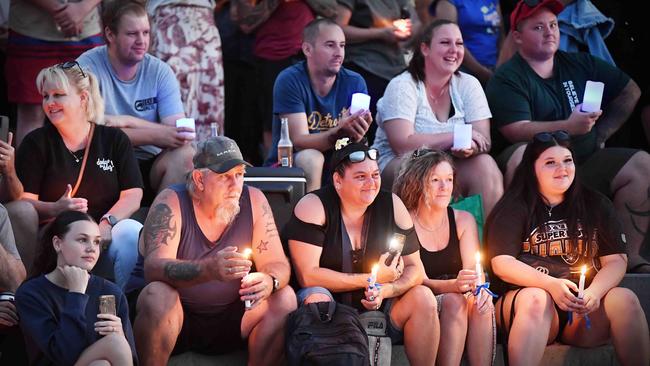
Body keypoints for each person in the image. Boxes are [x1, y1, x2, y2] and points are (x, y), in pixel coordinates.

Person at [485, 0, 650, 272]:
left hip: (585, 160)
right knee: (520, 156)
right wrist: (569, 126)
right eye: (538, 27)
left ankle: (626, 257)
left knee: (642, 164)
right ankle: (526, 256)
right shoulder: (508, 76)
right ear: (517, 36)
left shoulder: (579, 63)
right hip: (534, 167)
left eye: (553, 25)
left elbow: (630, 90)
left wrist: (602, 132)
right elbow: (515, 129)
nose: (550, 32)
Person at [485, 131, 650, 366]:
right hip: (529, 305)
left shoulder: (595, 203)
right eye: (550, 163)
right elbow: (502, 264)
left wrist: (594, 293)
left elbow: (616, 260)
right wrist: (550, 285)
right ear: (533, 169)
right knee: (536, 298)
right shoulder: (515, 206)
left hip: (581, 310)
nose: (561, 169)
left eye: (567, 160)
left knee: (625, 298)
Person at [131, 136, 296, 366]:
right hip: (178, 317)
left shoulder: (254, 200)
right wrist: (209, 269)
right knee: (157, 295)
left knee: (285, 298)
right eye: (224, 177)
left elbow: (279, 264)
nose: (235, 184)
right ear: (199, 179)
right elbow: (154, 268)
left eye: (239, 175)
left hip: (233, 315)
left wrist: (269, 280)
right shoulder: (171, 201)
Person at [286, 137, 439, 366]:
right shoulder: (313, 206)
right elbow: (308, 275)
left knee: (424, 297)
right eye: (360, 177)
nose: (371, 183)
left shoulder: (392, 204)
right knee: (316, 297)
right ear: (338, 181)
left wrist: (386, 289)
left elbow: (416, 270)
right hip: (330, 316)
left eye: (375, 175)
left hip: (380, 309)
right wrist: (370, 280)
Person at [13, 63, 144, 290]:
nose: (49, 103)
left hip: (104, 232)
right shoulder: (36, 142)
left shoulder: (113, 139)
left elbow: (133, 194)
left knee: (130, 231)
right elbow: (24, 201)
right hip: (58, 234)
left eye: (59, 95)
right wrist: (55, 208)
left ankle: (123, 307)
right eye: (45, 96)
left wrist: (106, 223)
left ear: (83, 98)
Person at [372, 19, 503, 216]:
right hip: (399, 164)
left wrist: (469, 148)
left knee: (486, 165)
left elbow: (483, 140)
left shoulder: (468, 84)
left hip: (451, 162)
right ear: (425, 49)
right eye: (445, 43)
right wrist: (453, 137)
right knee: (422, 169)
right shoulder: (402, 85)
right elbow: (402, 145)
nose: (454, 50)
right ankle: (421, 243)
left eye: (458, 43)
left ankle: (484, 243)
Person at [77, 0, 192, 202]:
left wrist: (128, 121)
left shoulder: (159, 71)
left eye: (145, 33)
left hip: (150, 164)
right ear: (110, 35)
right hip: (104, 161)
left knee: (184, 155)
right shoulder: (87, 67)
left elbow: (178, 135)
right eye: (132, 34)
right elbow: (85, 132)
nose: (141, 41)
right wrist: (155, 135)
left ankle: (158, 226)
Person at [393, 149, 494, 366]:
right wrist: (454, 286)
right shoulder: (404, 221)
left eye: (449, 179)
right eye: (435, 180)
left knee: (481, 302)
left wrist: (478, 286)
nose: (444, 187)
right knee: (455, 301)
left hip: (458, 295)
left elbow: (472, 270)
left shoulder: (463, 220)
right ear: (416, 183)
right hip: (418, 300)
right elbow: (416, 280)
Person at [15, 211, 136, 366]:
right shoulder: (31, 294)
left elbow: (131, 359)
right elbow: (63, 355)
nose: (92, 248)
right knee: (115, 344)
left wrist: (121, 335)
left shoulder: (109, 291)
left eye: (97, 242)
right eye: (82, 240)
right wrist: (77, 294)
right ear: (58, 244)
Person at [266, 18, 372, 192]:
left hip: (338, 158)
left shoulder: (355, 81)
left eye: (342, 45)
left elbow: (354, 142)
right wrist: (338, 132)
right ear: (307, 49)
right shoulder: (290, 80)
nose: (339, 53)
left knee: (364, 158)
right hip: (294, 162)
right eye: (330, 45)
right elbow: (299, 141)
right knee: (312, 158)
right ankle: (310, 217)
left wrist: (358, 133)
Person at [5, 0, 104, 146]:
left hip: (85, 28)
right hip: (31, 31)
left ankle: (86, 167)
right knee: (31, 115)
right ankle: (28, 168)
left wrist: (82, 8)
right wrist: (61, 10)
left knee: (87, 109)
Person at [334, 0, 414, 142]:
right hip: (363, 66)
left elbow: (414, 23)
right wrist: (379, 33)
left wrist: (407, 33)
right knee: (364, 128)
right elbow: (337, 29)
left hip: (395, 68)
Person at [147, 0, 225, 142]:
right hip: (167, 17)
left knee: (209, 103)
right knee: (174, 98)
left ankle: (212, 158)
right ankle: (181, 157)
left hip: (204, 18)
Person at [423, 0, 505, 85]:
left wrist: (500, 67)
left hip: (495, 69)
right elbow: (449, 41)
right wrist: (482, 72)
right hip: (462, 69)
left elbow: (501, 34)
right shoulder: (447, 2)